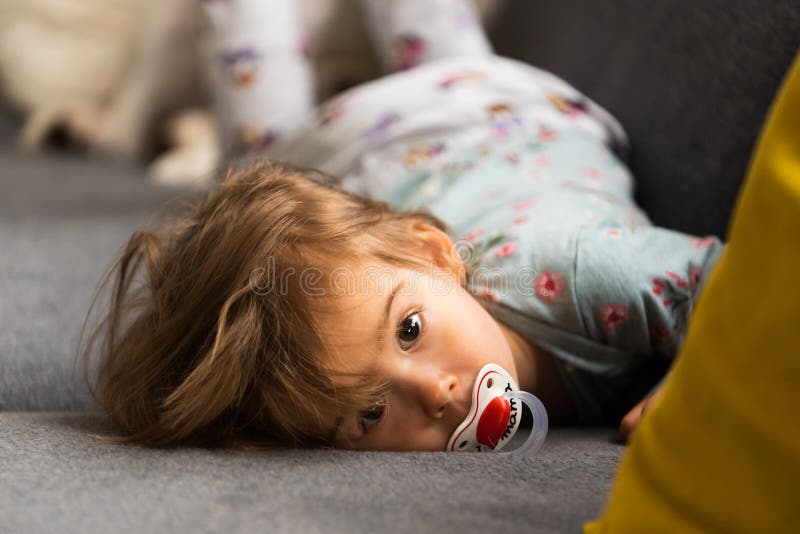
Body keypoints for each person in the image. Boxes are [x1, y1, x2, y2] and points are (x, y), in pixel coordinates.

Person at [79, 0, 725, 451]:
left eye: (410, 330)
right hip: (347, 160)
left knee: (262, 158)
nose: (436, 395)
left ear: (437, 254)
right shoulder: (389, 278)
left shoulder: (584, 268)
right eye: (368, 413)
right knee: (266, 182)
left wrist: (698, 382)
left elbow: (725, 275)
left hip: (490, 110)